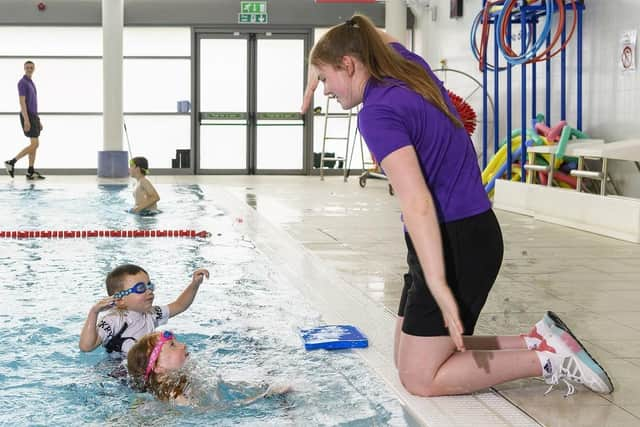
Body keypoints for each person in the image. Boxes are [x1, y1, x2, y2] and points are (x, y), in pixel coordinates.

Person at [301, 14, 613, 397]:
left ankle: (551, 360)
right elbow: (367, 32)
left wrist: (438, 283)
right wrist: (316, 68)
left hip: (455, 243)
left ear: (348, 64)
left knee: (419, 379)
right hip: (464, 233)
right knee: (405, 358)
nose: (326, 91)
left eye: (325, 79)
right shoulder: (408, 68)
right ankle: (537, 340)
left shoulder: (377, 113)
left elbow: (417, 203)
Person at [79, 264, 209, 358]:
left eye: (149, 285)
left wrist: (195, 284)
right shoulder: (113, 320)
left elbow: (180, 305)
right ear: (120, 299)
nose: (149, 291)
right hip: (117, 372)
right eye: (141, 288)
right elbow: (86, 347)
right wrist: (93, 313)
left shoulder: (151, 314)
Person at [127, 330, 291, 405]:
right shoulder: (174, 395)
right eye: (172, 345)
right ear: (158, 367)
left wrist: (258, 387)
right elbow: (211, 412)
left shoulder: (184, 375)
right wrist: (263, 396)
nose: (183, 345)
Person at [5, 60, 45, 180]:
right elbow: (22, 102)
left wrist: (38, 120)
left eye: (31, 67)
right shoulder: (22, 83)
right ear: (24, 68)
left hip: (33, 116)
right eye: (27, 67)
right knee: (35, 144)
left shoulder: (31, 82)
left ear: (34, 68)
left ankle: (30, 171)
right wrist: (26, 120)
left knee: (34, 145)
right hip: (27, 116)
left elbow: (33, 103)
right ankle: (11, 162)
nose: (29, 69)